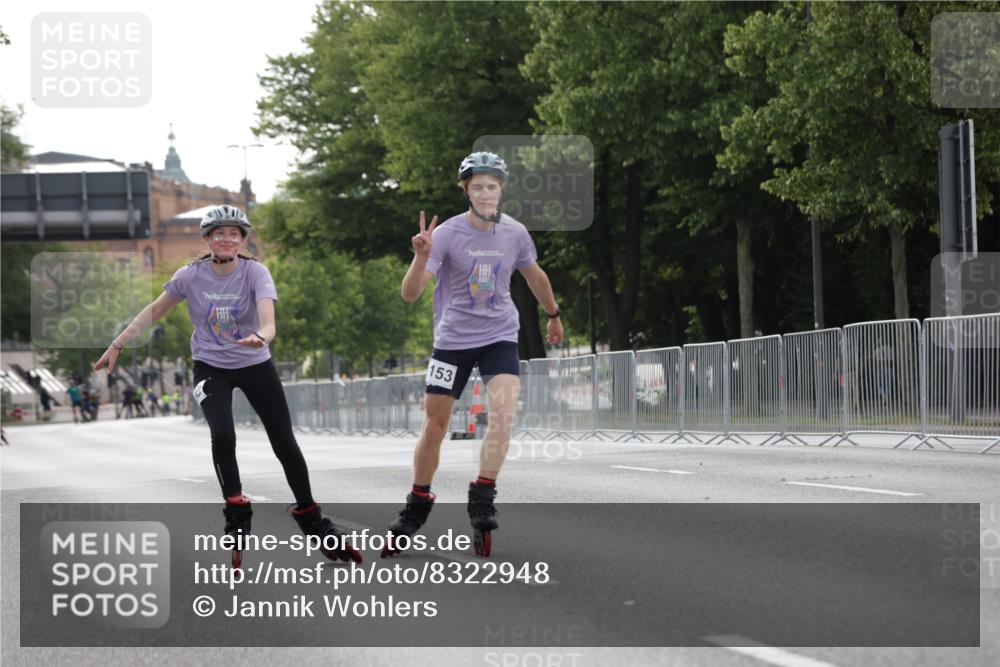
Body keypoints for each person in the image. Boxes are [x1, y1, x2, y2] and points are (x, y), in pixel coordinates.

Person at [94, 204, 361, 566]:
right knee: (222, 433)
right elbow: (155, 309)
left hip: (255, 363)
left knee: (284, 441)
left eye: (233, 233)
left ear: (242, 240)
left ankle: (313, 520)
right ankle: (236, 510)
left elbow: (269, 322)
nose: (226, 239)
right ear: (207, 239)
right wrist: (118, 343)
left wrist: (261, 337)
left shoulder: (256, 273)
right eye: (218, 233)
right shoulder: (190, 275)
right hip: (210, 366)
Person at [382, 151, 563, 558]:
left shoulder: (515, 233)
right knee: (435, 426)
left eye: (492, 186)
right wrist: (421, 255)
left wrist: (553, 315)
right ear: (466, 190)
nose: (485, 193)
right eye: (477, 186)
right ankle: (417, 503)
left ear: (501, 190)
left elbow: (535, 276)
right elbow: (410, 295)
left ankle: (482, 494)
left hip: (499, 336)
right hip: (452, 342)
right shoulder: (445, 235)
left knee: (503, 416)